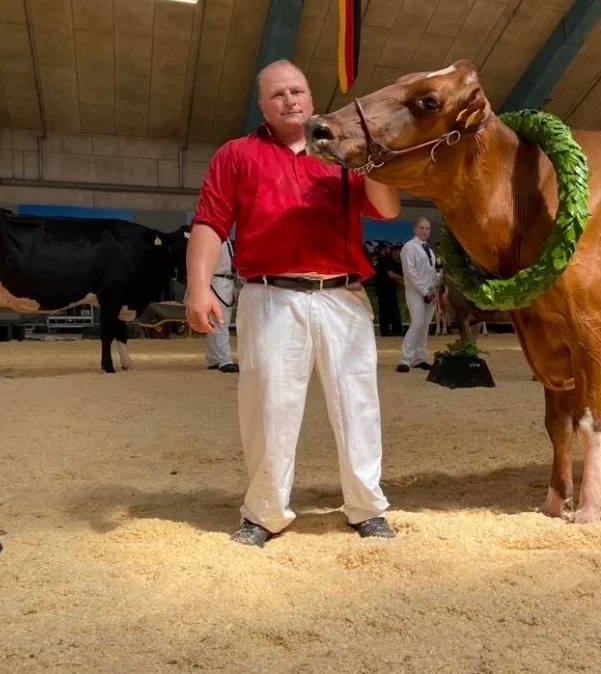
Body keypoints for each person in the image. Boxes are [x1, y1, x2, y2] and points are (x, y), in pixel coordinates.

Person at [185, 59, 402, 547]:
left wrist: (369, 159)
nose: (291, 101)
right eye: (278, 94)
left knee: (357, 404)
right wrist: (199, 287)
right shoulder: (236, 154)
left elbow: (387, 209)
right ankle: (264, 512)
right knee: (267, 407)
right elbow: (210, 222)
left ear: (310, 97)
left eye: (298, 91)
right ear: (262, 104)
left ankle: (367, 506)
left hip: (342, 295)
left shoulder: (341, 151)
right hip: (269, 295)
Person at [396, 217, 440, 373]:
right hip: (416, 291)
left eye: (427, 228)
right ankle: (405, 359)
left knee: (424, 326)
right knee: (418, 323)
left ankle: (419, 358)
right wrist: (424, 290)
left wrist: (438, 280)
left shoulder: (428, 248)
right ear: (414, 229)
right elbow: (410, 273)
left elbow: (431, 271)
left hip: (430, 291)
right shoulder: (409, 247)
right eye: (422, 228)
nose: (425, 231)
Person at [204, 236, 239, 373]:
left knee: (214, 322)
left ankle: (213, 358)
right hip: (217, 281)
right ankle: (225, 360)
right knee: (221, 321)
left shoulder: (224, 239)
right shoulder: (214, 238)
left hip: (224, 280)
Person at [373, 244, 404, 337]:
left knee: (394, 308)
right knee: (384, 309)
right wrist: (404, 280)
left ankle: (397, 330)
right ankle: (385, 331)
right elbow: (391, 274)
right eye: (399, 251)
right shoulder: (385, 260)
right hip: (382, 288)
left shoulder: (397, 262)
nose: (401, 253)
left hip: (391, 288)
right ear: (394, 251)